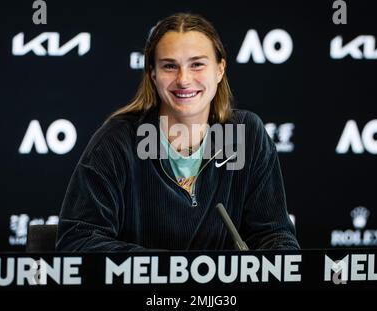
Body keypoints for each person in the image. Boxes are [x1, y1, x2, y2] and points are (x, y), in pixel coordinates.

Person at [56, 13, 299, 251]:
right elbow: (78, 240)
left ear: (220, 69)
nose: (183, 80)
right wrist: (175, 272)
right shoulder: (117, 141)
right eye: (170, 66)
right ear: (153, 74)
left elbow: (275, 237)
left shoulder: (246, 134)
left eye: (197, 64)